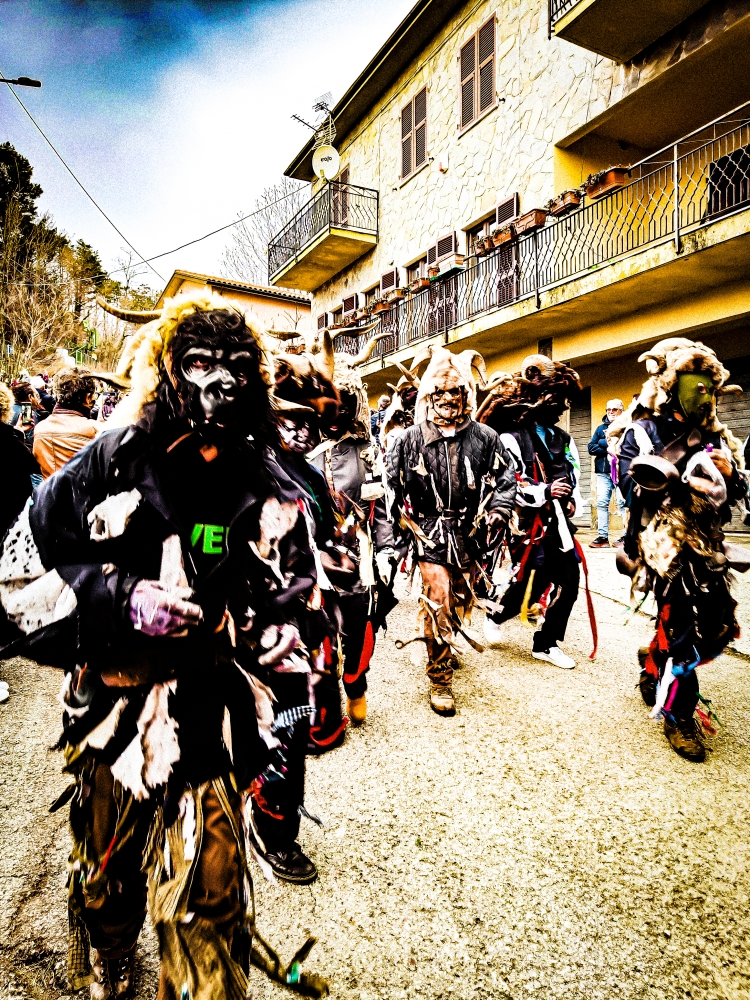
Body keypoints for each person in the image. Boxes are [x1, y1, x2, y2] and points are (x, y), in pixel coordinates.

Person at [0, 295, 327, 999]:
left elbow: (291, 605)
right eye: (200, 363)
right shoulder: (109, 461)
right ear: (168, 372)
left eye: (237, 367)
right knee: (107, 876)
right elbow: (17, 573)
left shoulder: (269, 484)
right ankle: (112, 953)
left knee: (210, 895)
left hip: (207, 716)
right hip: (113, 709)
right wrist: (119, 599)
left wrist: (275, 656)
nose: (219, 383)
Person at [616, 338, 748, 763]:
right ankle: (678, 715)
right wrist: (673, 480)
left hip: (707, 547)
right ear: (674, 386)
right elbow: (628, 485)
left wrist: (729, 477)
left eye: (712, 387)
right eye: (699, 386)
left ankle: (653, 660)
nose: (706, 396)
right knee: (684, 628)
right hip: (662, 549)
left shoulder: (717, 438)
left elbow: (738, 492)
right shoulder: (643, 431)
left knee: (718, 626)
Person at [387, 345, 516, 715]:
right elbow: (392, 489)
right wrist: (395, 542)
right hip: (428, 532)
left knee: (459, 599)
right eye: (440, 393)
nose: (448, 399)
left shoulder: (485, 436)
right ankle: (439, 678)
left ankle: (443, 639)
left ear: (465, 395)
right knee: (438, 600)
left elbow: (506, 478)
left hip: (468, 535)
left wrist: (498, 508)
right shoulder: (410, 438)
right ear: (429, 396)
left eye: (455, 392)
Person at [479, 356, 590, 670]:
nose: (561, 405)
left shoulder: (563, 440)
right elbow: (509, 482)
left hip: (560, 524)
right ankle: (496, 613)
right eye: (555, 398)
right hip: (527, 526)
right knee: (532, 582)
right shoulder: (510, 438)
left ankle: (547, 643)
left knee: (570, 581)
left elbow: (574, 475)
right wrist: (544, 492)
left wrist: (571, 500)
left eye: (564, 400)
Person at [309, 336, 396, 728]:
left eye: (342, 401)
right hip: (307, 558)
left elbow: (378, 507)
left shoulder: (365, 449)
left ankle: (355, 683)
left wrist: (385, 548)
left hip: (353, 555)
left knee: (357, 626)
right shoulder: (295, 444)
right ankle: (322, 703)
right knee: (314, 633)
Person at [32, 367, 99, 478]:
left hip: (48, 494)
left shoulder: (40, 428)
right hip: (85, 495)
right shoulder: (97, 430)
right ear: (87, 398)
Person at [587, 398, 626, 547]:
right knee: (602, 502)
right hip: (603, 472)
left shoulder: (627, 426)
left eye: (614, 409)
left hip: (621, 471)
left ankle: (626, 536)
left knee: (623, 503)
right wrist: (608, 446)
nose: (610, 412)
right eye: (608, 409)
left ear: (621, 411)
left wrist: (602, 443)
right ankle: (602, 537)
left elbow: (625, 446)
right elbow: (591, 448)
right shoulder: (599, 429)